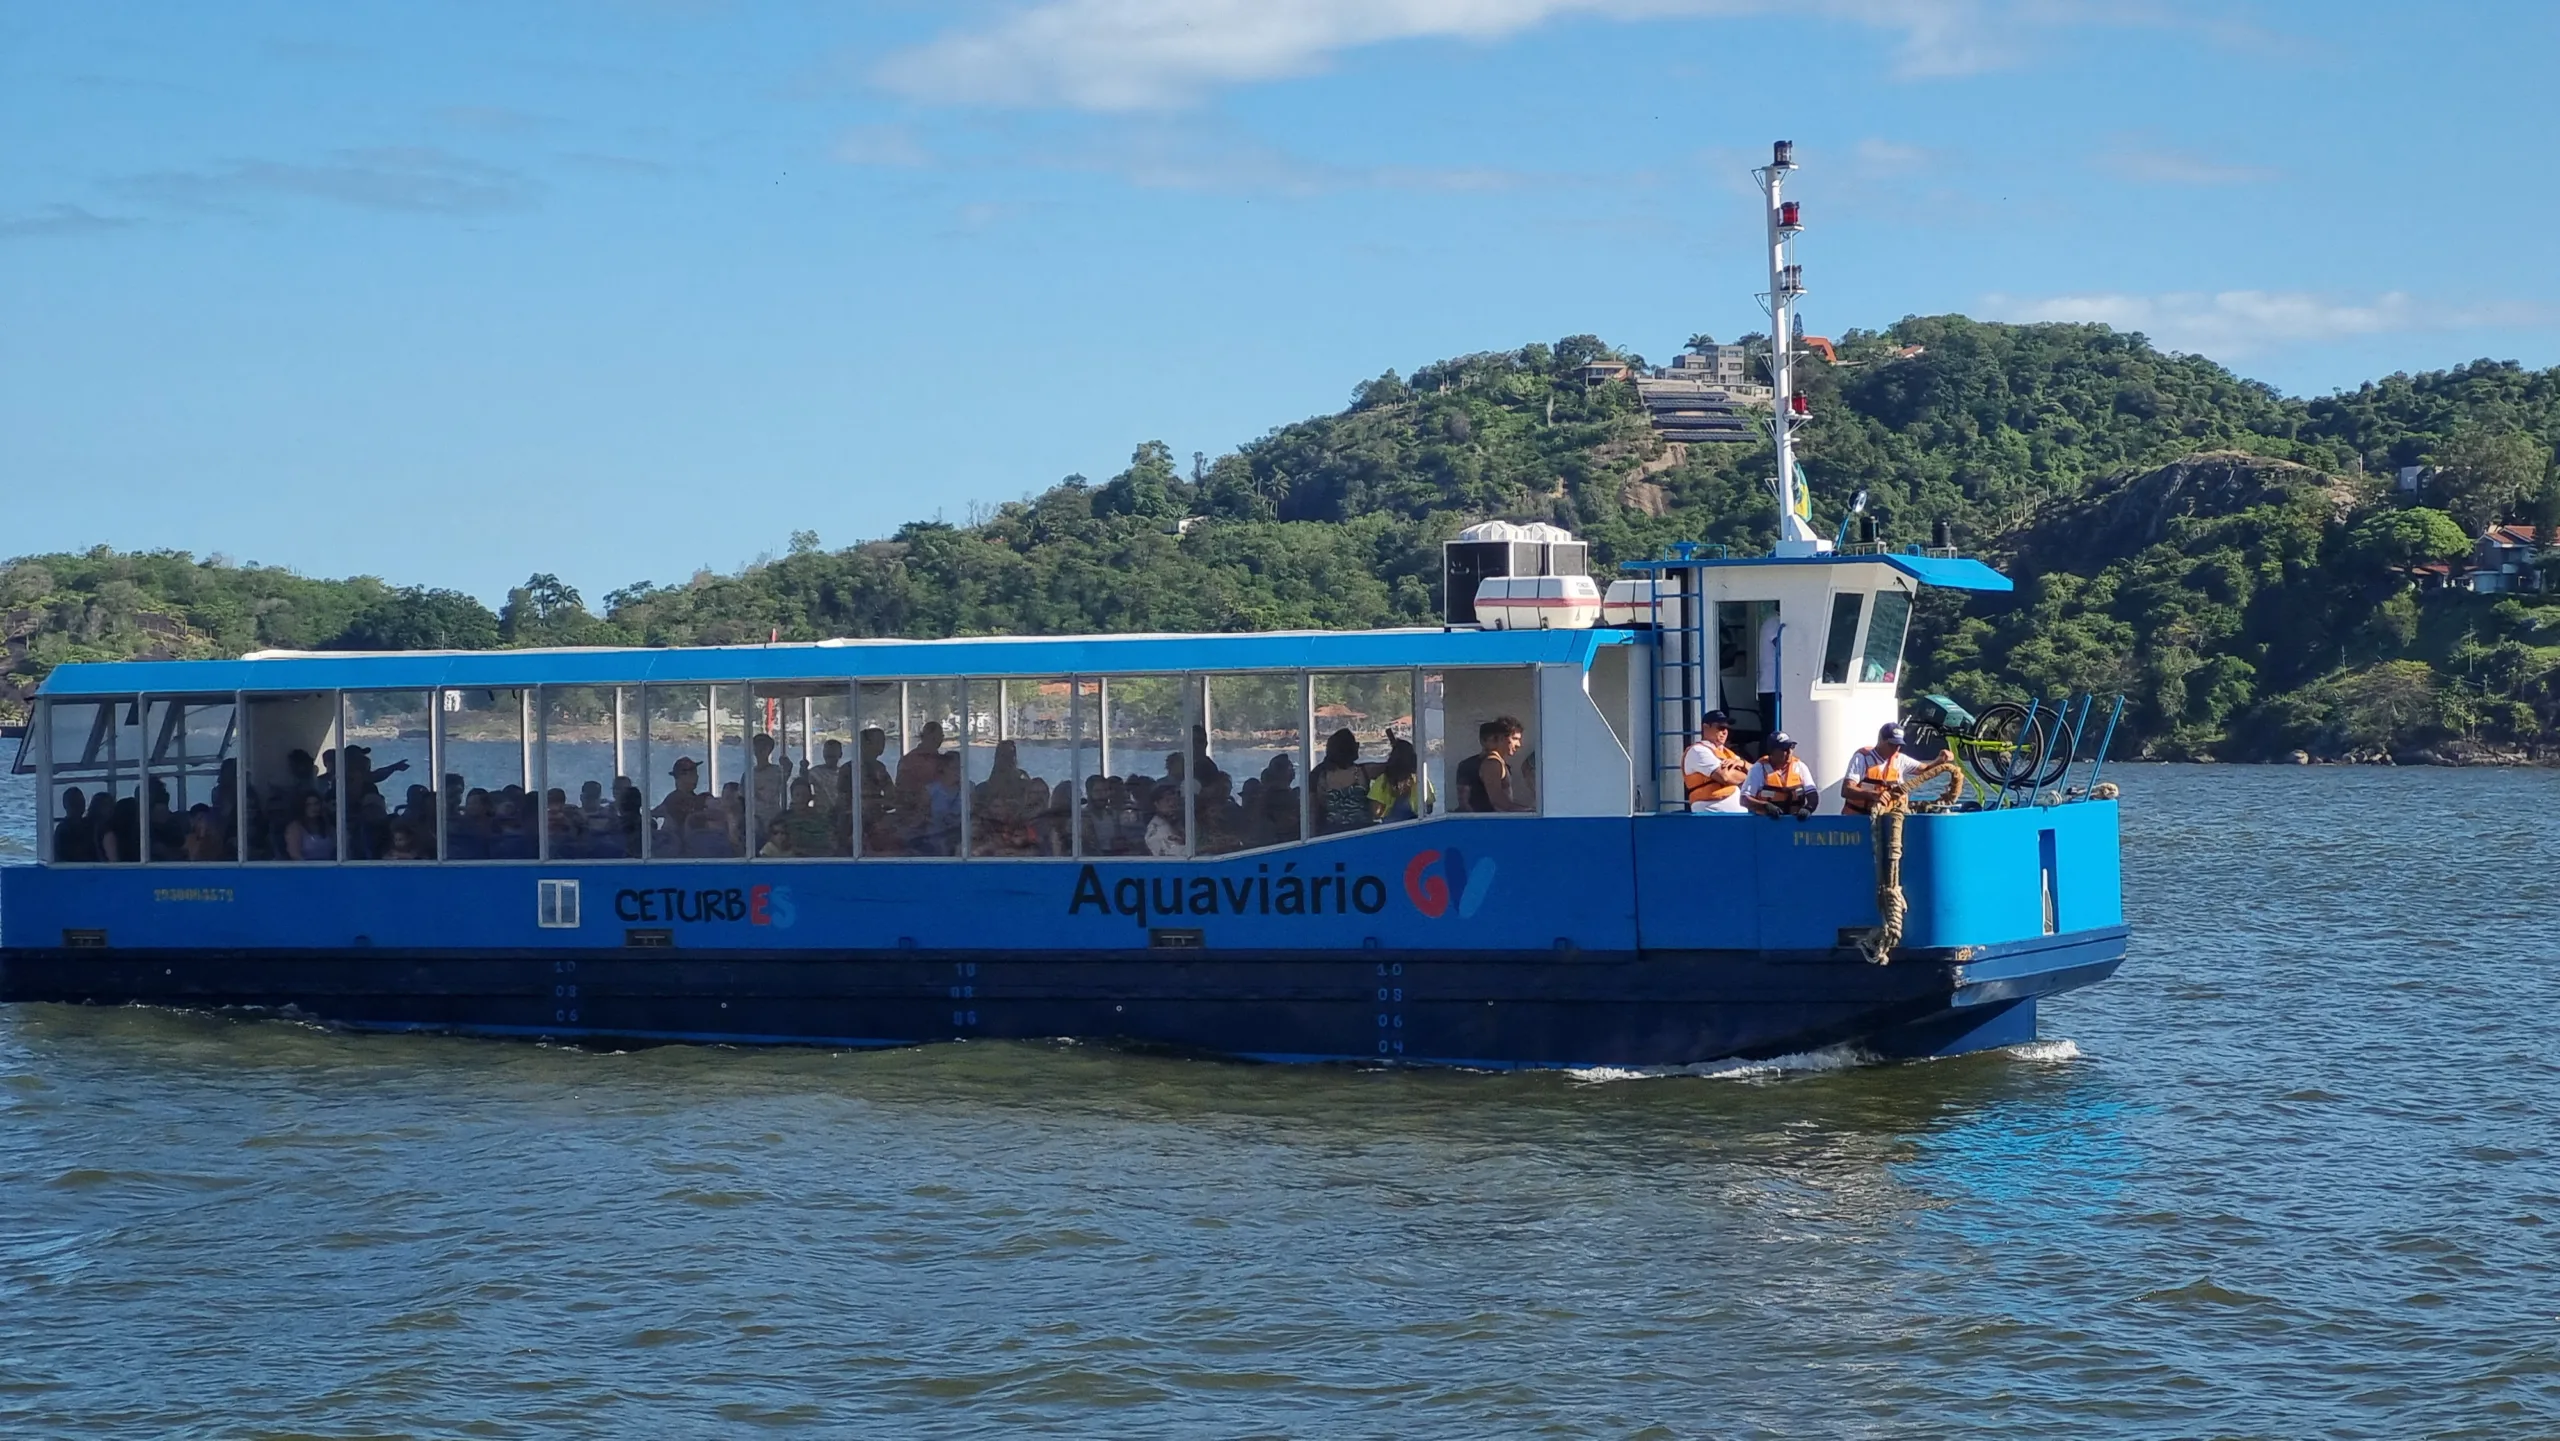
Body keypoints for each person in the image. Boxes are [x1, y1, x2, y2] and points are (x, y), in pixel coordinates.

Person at [1841, 721, 1926, 816]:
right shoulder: (1862, 758)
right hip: (1859, 819)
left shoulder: (1900, 759)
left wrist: (1940, 760)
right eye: (1891, 744)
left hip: (1889, 819)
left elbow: (1925, 770)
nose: (1895, 749)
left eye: (1898, 745)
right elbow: (1846, 790)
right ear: (1880, 740)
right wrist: (1874, 795)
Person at [1455, 716, 1530, 813]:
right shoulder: (1492, 763)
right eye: (1515, 738)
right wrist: (1528, 811)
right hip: (1488, 823)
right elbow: (1498, 802)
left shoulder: (1492, 762)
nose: (1519, 744)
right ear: (1501, 738)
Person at [1682, 710, 1750, 814]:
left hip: (1736, 815)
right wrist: (1746, 775)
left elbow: (1756, 772)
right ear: (1706, 727)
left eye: (1727, 728)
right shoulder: (1698, 751)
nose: (1725, 731)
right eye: (1720, 727)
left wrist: (1743, 764)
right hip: (1710, 815)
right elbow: (1724, 777)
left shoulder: (1728, 753)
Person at [1742, 733, 1818, 819]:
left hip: (1795, 822)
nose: (1789, 752)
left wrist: (1808, 808)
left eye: (1791, 747)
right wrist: (1765, 806)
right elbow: (1744, 799)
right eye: (1784, 749)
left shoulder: (1800, 767)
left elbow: (1812, 795)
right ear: (1772, 751)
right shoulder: (1759, 768)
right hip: (1767, 822)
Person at [1310, 729, 1370, 834]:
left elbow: (1311, 812)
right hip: (1361, 831)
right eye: (1355, 744)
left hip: (1330, 833)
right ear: (1349, 748)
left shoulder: (1318, 774)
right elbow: (1312, 810)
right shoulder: (1365, 771)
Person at [1368, 737, 1426, 823]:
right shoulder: (1421, 779)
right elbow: (1429, 806)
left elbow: (1376, 812)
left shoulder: (1383, 781)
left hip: (1391, 829)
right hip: (1417, 826)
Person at [51, 788, 98, 864]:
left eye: (81, 801)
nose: (79, 805)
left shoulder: (89, 824)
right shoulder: (63, 830)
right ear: (65, 805)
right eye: (74, 802)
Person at [1143, 785, 1186, 857]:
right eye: (1167, 800)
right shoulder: (1154, 829)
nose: (1172, 804)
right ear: (1156, 804)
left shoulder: (1179, 824)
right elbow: (1168, 854)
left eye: (1175, 800)